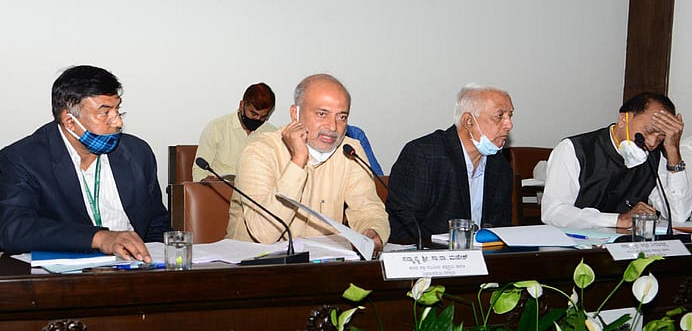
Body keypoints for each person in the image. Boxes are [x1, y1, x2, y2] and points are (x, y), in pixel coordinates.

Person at [0, 65, 170, 261]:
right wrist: (100, 238)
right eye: (104, 113)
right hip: (67, 275)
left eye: (117, 110)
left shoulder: (137, 153)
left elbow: (157, 225)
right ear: (70, 122)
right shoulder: (25, 158)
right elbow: (14, 230)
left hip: (134, 270)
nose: (118, 122)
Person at [225, 74, 390, 254]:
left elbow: (368, 209)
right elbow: (265, 233)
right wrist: (298, 160)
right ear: (295, 114)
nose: (333, 127)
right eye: (322, 114)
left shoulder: (350, 151)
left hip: (321, 263)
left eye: (341, 117)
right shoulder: (259, 151)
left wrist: (372, 231)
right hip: (254, 265)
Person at [386, 84, 514, 244]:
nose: (509, 125)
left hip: (485, 256)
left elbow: (502, 230)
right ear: (469, 121)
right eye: (499, 116)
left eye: (510, 115)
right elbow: (400, 229)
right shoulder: (424, 155)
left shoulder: (500, 167)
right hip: (431, 256)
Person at [542, 92, 692, 228]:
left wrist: (673, 152)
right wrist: (618, 220)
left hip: (627, 245)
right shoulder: (574, 149)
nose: (652, 143)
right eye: (648, 131)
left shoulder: (656, 158)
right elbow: (553, 212)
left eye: (661, 137)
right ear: (623, 119)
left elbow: (678, 215)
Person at [192, 82, 277, 182]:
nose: (257, 119)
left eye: (263, 117)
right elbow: (198, 171)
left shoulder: (273, 135)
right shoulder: (216, 129)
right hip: (222, 188)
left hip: (256, 189)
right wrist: (205, 180)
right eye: (253, 114)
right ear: (242, 105)